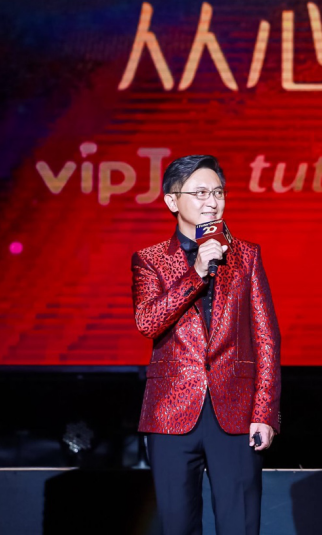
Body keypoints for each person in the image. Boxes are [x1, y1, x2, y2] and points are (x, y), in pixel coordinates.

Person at [131, 154, 281, 535]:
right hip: (170, 415)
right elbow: (148, 322)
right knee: (177, 526)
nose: (212, 202)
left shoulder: (246, 256)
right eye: (200, 193)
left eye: (218, 193)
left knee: (240, 524)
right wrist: (196, 273)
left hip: (236, 413)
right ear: (172, 200)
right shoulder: (150, 261)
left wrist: (265, 411)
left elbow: (266, 338)